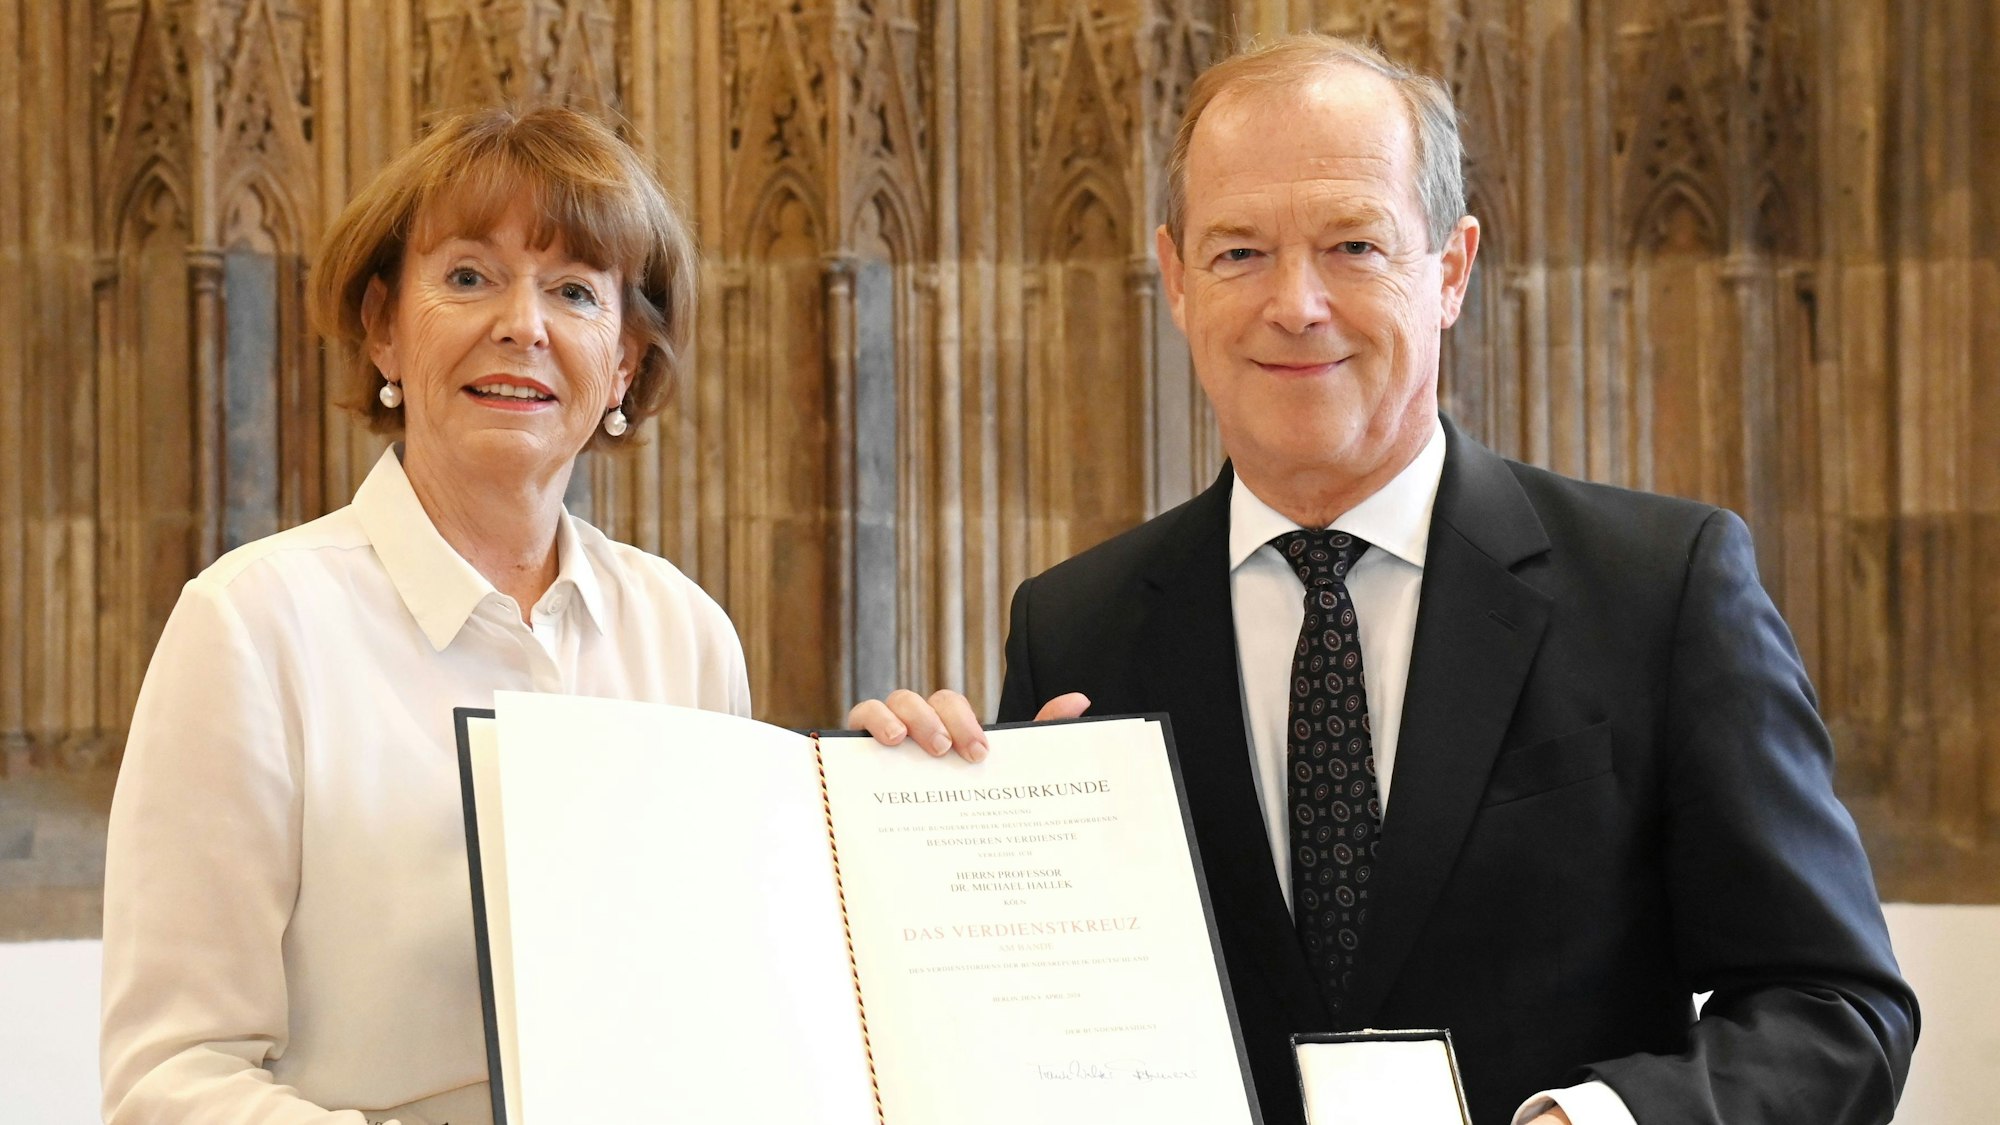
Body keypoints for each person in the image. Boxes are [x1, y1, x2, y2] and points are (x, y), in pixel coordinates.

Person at [849, 34, 1917, 1125]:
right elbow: (1035, 1035)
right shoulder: (1075, 624)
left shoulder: (1660, 587)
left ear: (1448, 270)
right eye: (1237, 254)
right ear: (1173, 279)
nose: (1296, 304)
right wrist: (917, 826)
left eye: (1353, 245)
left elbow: (1836, 1010)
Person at [99, 105, 749, 1124]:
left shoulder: (687, 636)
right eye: (467, 277)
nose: (522, 325)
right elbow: (171, 1079)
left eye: (574, 290)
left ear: (623, 360)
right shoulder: (253, 625)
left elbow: (728, 1009)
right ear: (383, 327)